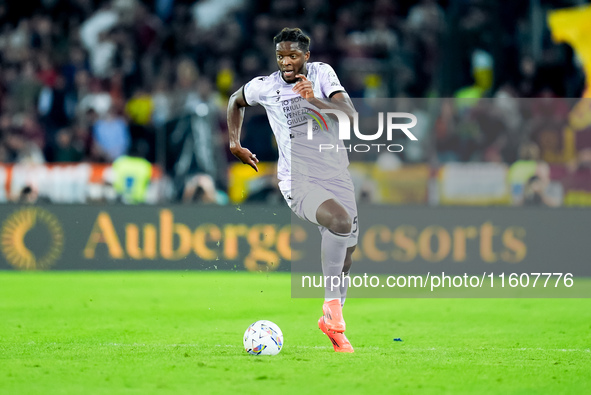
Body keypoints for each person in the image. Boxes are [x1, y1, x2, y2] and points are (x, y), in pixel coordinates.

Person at [227, 28, 358, 353]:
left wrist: (313, 99)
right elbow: (235, 101)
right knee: (339, 222)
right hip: (297, 180)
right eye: (281, 56)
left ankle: (331, 324)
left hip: (336, 175)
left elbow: (350, 116)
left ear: (306, 57)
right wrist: (234, 143)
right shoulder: (266, 86)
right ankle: (333, 314)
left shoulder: (322, 74)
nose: (287, 62)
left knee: (348, 255)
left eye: (293, 56)